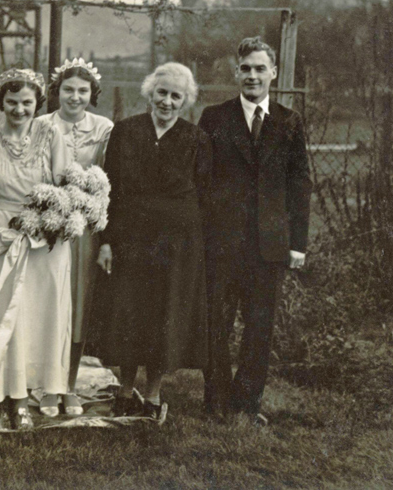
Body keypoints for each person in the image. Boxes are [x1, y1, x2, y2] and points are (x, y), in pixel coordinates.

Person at [199, 37, 311, 425]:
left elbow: (301, 184)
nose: (252, 75)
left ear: (273, 73)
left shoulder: (288, 120)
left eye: (260, 68)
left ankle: (247, 404)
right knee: (217, 323)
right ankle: (215, 402)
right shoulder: (214, 118)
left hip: (269, 245)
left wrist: (298, 243)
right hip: (222, 242)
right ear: (236, 72)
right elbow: (203, 180)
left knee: (259, 326)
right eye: (245, 68)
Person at [95, 62, 210, 421]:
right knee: (130, 313)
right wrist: (107, 241)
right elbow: (109, 190)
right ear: (150, 92)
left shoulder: (197, 140)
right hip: (132, 239)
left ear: (186, 101)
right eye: (162, 93)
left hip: (175, 244)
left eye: (177, 96)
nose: (167, 101)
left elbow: (204, 195)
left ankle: (153, 394)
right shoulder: (126, 132)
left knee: (165, 315)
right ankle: (125, 391)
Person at [0, 68, 71, 429]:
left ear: (37, 103)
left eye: (27, 102)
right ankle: (2, 397)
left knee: (38, 317)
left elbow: (65, 187)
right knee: (1, 316)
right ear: (1, 102)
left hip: (44, 237)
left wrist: (49, 221)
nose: (19, 109)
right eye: (12, 102)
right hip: (1, 231)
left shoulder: (51, 133)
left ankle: (29, 395)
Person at [37, 58, 113, 417]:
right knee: (48, 305)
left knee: (78, 307)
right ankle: (43, 386)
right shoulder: (40, 125)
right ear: (57, 92)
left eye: (83, 91)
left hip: (84, 231)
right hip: (46, 225)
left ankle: (68, 385)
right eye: (68, 89)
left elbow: (109, 180)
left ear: (92, 94)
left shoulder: (105, 128)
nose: (75, 96)